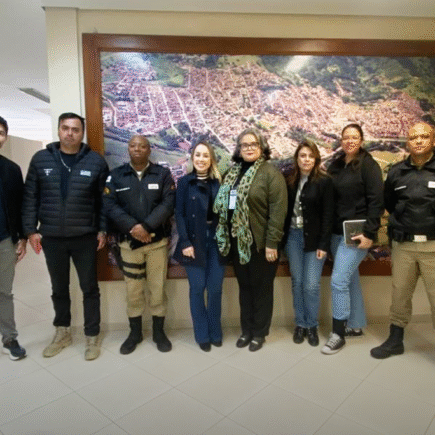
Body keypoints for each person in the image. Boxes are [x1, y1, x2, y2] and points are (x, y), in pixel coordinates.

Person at [22, 112, 108, 361]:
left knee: (89, 288)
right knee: (59, 288)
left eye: (75, 129)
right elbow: (30, 197)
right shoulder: (41, 159)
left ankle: (92, 335)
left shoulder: (95, 162)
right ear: (59, 130)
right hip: (52, 237)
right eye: (65, 128)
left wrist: (102, 229)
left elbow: (104, 201)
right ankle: (62, 332)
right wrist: (31, 230)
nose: (70, 133)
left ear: (82, 133)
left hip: (85, 236)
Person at [214, 128, 287, 351]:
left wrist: (272, 243)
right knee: (245, 287)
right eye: (244, 145)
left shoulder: (270, 173)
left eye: (253, 144)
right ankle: (246, 330)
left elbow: (278, 211)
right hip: (238, 242)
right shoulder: (232, 173)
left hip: (261, 244)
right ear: (238, 149)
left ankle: (259, 333)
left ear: (261, 147)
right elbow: (227, 205)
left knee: (261, 289)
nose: (249, 148)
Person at [103, 135, 175, 354]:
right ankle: (135, 333)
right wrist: (133, 228)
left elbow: (168, 204)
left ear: (149, 150)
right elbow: (110, 205)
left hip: (156, 243)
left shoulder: (162, 174)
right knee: (133, 291)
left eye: (142, 146)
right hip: (128, 245)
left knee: (157, 289)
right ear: (128, 149)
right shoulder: (116, 175)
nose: (137, 149)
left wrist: (146, 226)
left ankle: (158, 333)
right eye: (133, 145)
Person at [371, 122, 435, 359]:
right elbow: (389, 203)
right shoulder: (397, 172)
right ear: (407, 142)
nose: (418, 141)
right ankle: (395, 340)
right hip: (404, 247)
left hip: (433, 247)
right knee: (399, 295)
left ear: (433, 140)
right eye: (413, 137)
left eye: (424, 136)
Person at [321, 123, 384, 354]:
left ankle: (338, 333)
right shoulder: (337, 165)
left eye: (354, 137)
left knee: (338, 281)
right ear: (341, 140)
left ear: (361, 140)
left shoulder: (369, 165)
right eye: (346, 137)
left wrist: (370, 233)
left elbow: (377, 201)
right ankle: (356, 325)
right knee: (350, 280)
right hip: (337, 233)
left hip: (358, 235)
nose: (350, 141)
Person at [174, 142, 226, 352]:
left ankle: (215, 331)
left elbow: (227, 211)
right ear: (192, 158)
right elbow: (179, 214)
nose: (201, 159)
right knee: (197, 289)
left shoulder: (219, 182)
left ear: (211, 159)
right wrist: (185, 242)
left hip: (216, 240)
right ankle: (202, 334)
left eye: (205, 155)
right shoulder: (184, 182)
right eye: (198, 155)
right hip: (193, 241)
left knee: (215, 289)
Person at [285, 141, 334, 347]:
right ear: (297, 158)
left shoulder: (325, 181)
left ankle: (312, 325)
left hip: (315, 240)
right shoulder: (289, 180)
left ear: (316, 159)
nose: (306, 159)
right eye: (302, 155)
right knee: (297, 283)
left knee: (311, 285)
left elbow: (328, 215)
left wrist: (324, 244)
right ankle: (300, 324)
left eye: (310, 156)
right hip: (293, 238)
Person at [0, 116, 27, 360]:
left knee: (4, 292)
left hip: (4, 241)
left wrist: (22, 238)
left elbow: (19, 206)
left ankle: (9, 338)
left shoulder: (11, 170)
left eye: (0, 132)